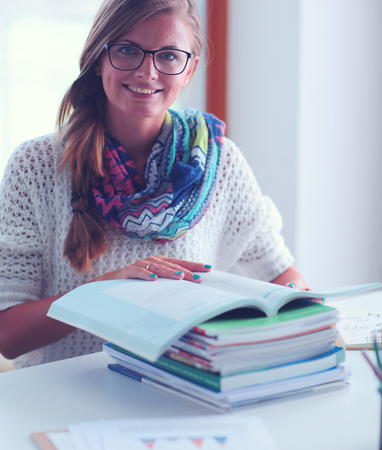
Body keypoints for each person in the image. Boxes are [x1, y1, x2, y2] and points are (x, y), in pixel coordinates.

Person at [0, 0, 310, 369]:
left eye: (168, 56)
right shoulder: (36, 165)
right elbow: (8, 336)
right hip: (64, 405)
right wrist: (104, 292)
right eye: (128, 50)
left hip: (184, 394)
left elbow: (284, 277)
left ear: (189, 68)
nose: (148, 72)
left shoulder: (221, 163)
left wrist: (298, 310)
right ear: (99, 58)